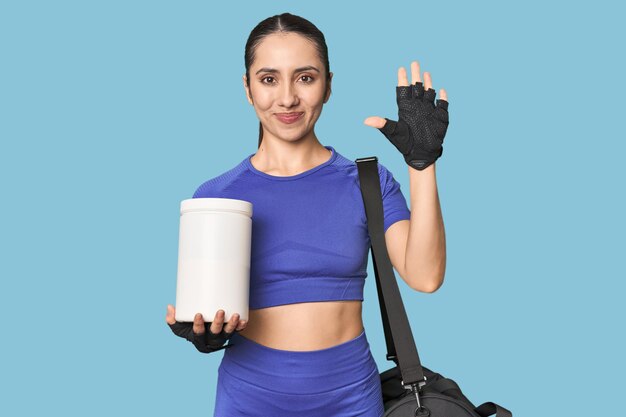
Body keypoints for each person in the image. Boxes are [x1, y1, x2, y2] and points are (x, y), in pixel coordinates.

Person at [165, 12, 449, 417]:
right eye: (268, 79)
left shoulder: (366, 182)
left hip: (351, 400)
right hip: (249, 400)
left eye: (305, 77)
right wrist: (204, 332)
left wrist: (422, 164)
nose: (286, 98)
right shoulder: (216, 197)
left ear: (328, 85)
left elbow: (425, 275)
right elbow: (205, 306)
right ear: (247, 88)